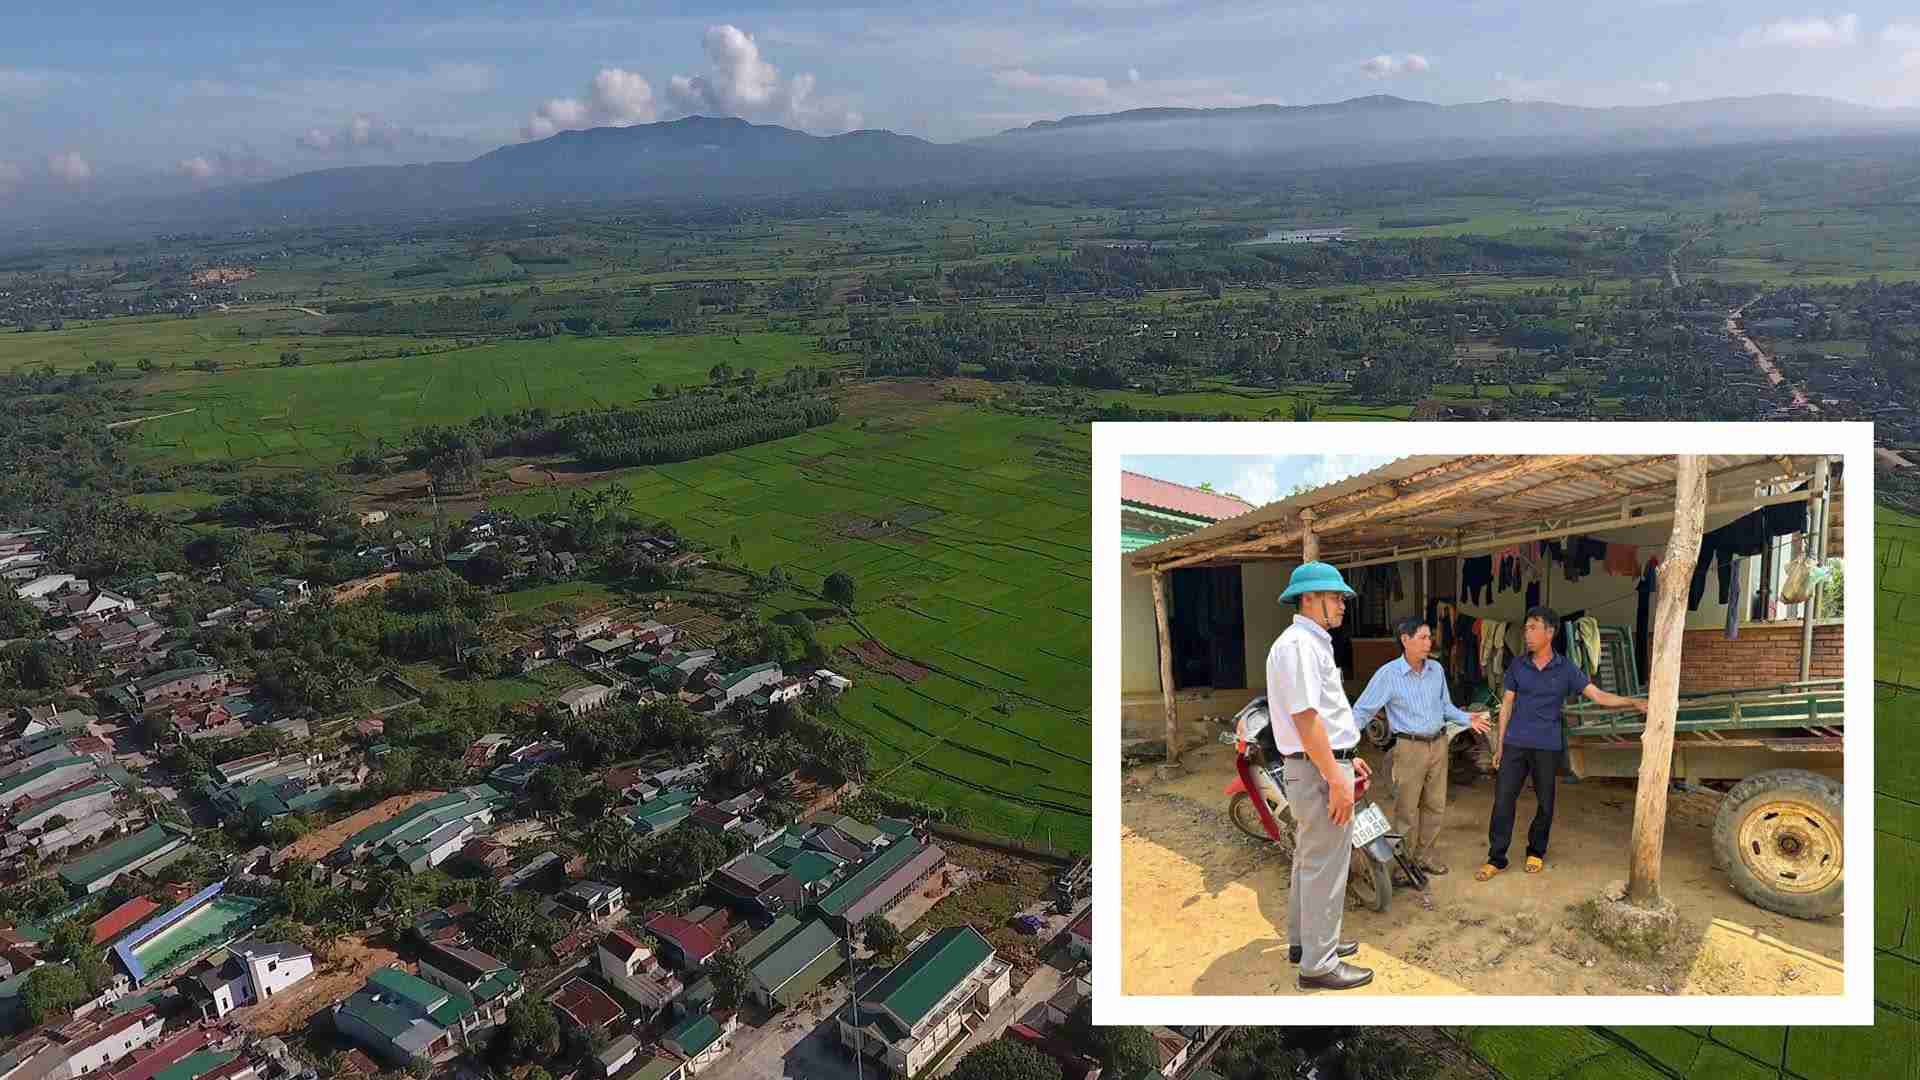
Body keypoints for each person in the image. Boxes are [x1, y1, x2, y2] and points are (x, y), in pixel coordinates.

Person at [1477, 606, 1648, 881]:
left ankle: (1536, 850)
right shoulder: (1518, 665)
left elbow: (1599, 696)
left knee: (1546, 802)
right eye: (1526, 628)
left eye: (1533, 628)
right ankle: (1497, 857)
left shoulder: (1566, 668)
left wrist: (1633, 701)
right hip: (1516, 744)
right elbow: (1507, 705)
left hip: (1546, 745)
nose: (1527, 634)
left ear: (1550, 632)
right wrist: (1500, 744)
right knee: (1502, 801)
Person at [1266, 560, 1375, 991]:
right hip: (1316, 770)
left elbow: (1324, 716)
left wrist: (1349, 756)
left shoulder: (1310, 643)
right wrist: (1336, 777)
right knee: (1326, 866)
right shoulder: (1300, 646)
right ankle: (1319, 963)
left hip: (1318, 764)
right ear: (1309, 599)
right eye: (1335, 597)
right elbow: (1307, 720)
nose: (1343, 604)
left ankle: (1305, 944)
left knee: (1310, 860)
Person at [1350, 616, 1491, 879]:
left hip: (1439, 744)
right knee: (1406, 809)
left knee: (1435, 805)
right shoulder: (1388, 675)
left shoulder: (1436, 670)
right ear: (1405, 640)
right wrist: (1343, 745)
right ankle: (1403, 864)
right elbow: (1363, 710)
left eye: (1430, 637)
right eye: (1423, 637)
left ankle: (1424, 855)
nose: (1429, 643)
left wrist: (1466, 719)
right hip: (1409, 748)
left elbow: (1445, 707)